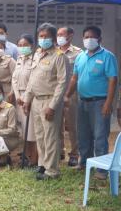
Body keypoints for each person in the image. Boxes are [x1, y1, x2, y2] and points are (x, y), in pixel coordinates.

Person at [65, 25, 118, 180]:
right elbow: (74, 78)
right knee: (83, 134)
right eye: (86, 37)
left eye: (92, 37)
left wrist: (109, 103)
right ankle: (84, 163)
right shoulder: (80, 56)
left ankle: (101, 170)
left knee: (100, 136)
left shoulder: (108, 56)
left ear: (99, 39)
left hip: (100, 102)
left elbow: (113, 80)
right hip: (82, 102)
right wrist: (67, 95)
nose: (89, 40)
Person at [23, 23, 67, 181]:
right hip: (36, 101)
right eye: (40, 36)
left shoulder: (59, 56)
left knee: (51, 137)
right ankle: (43, 164)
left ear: (54, 38)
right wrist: (27, 100)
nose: (43, 39)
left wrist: (52, 106)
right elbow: (32, 80)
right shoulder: (37, 54)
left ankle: (52, 171)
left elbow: (62, 84)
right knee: (40, 135)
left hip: (49, 101)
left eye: (46, 36)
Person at [57, 27, 82, 166]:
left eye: (62, 34)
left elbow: (78, 75)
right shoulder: (54, 51)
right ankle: (59, 150)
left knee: (72, 124)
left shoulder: (78, 53)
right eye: (58, 34)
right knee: (57, 124)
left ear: (70, 36)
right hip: (55, 93)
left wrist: (69, 93)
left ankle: (74, 153)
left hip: (71, 93)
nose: (59, 37)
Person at [11, 34, 37, 166]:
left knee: (32, 131)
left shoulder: (35, 59)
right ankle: (26, 156)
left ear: (31, 45)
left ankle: (34, 159)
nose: (22, 48)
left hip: (30, 98)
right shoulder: (20, 59)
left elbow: (33, 81)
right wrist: (17, 96)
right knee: (25, 129)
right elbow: (14, 79)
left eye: (25, 45)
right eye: (20, 45)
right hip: (19, 98)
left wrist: (26, 98)